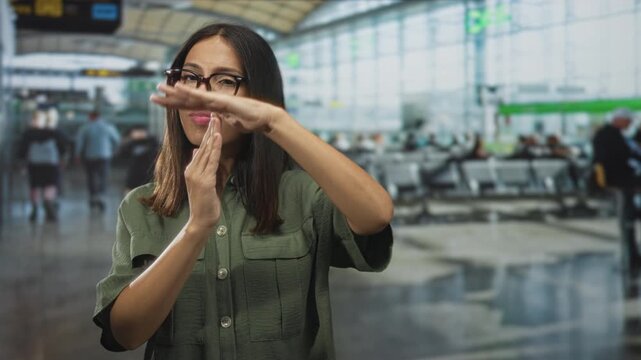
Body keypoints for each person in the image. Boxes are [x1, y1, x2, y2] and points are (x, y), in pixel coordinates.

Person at [93, 23, 394, 360]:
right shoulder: (142, 205)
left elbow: (376, 215)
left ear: (258, 96)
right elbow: (125, 332)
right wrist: (196, 230)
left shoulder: (302, 194)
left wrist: (275, 122)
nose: (201, 95)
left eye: (225, 81)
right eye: (190, 77)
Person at [592, 108, 641, 274]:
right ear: (619, 119)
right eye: (628, 120)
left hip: (622, 179)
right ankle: (631, 256)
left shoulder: (611, 134)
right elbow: (620, 158)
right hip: (620, 181)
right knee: (626, 219)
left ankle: (633, 253)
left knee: (628, 219)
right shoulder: (609, 136)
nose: (630, 124)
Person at [17, 109, 69, 222]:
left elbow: (22, 149)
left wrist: (21, 162)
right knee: (50, 184)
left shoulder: (29, 133)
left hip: (34, 162)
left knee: (34, 185)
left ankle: (35, 206)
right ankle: (48, 200)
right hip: (51, 162)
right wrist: (63, 158)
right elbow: (63, 145)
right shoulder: (53, 132)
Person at [75, 110, 120, 211]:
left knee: (91, 177)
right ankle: (101, 197)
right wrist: (114, 150)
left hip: (90, 156)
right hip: (104, 156)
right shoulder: (108, 127)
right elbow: (116, 140)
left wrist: (77, 154)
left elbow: (80, 142)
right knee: (103, 176)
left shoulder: (85, 127)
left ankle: (93, 197)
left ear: (90, 117)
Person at [118, 125, 159, 194]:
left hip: (148, 174)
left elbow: (156, 151)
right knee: (130, 193)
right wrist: (130, 140)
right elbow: (122, 154)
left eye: (141, 132)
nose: (140, 134)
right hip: (134, 174)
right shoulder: (132, 143)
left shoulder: (151, 142)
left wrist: (149, 138)